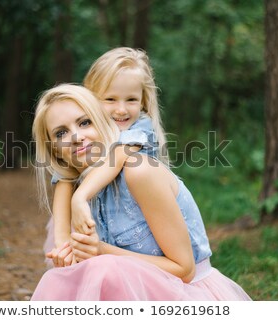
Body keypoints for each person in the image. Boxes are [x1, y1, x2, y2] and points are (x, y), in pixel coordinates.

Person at [31, 84, 251, 300]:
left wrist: (99, 251)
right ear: (54, 149)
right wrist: (72, 257)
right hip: (131, 293)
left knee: (103, 267)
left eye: (85, 122)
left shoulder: (139, 170)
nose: (76, 136)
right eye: (61, 133)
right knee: (59, 279)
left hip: (183, 293)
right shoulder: (74, 185)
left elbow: (184, 270)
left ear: (103, 122)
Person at [45, 48, 168, 266]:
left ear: (143, 102)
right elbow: (64, 175)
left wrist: (80, 196)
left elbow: (118, 157)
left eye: (131, 99)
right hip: (108, 235)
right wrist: (62, 242)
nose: (121, 110)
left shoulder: (140, 127)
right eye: (110, 99)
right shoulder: (87, 131)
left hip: (143, 243)